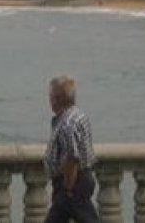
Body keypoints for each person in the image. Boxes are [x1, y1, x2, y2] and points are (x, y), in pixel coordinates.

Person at [44, 76, 101, 223]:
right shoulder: (79, 115)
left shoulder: (67, 124)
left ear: (58, 99)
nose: (49, 100)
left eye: (51, 96)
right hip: (81, 180)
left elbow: (71, 157)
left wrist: (68, 188)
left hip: (72, 183)